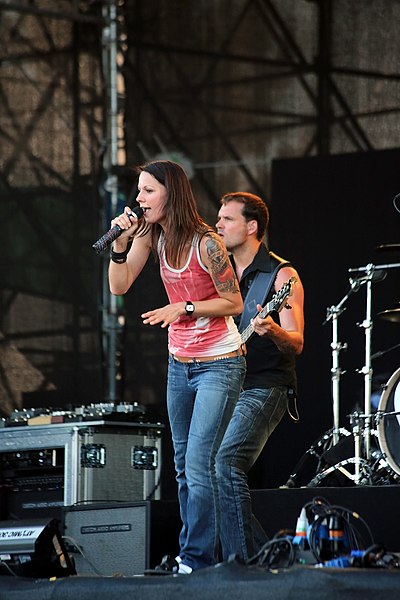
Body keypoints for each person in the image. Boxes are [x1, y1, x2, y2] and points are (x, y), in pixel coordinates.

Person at [108, 160, 246, 574]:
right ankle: (195, 556)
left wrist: (183, 306)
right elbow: (119, 284)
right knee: (184, 465)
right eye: (139, 191)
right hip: (179, 364)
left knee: (200, 462)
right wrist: (119, 246)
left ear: (171, 193)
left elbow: (234, 302)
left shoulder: (207, 244)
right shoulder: (152, 235)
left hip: (219, 363)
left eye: (148, 190)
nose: (139, 198)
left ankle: (197, 560)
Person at [214, 191, 304, 562]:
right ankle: (271, 557)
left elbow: (296, 342)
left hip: (266, 386)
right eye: (218, 218)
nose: (218, 224)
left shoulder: (281, 275)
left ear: (252, 227)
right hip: (227, 385)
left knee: (226, 462)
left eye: (227, 219)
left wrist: (273, 331)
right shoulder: (219, 273)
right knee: (206, 471)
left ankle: (244, 566)